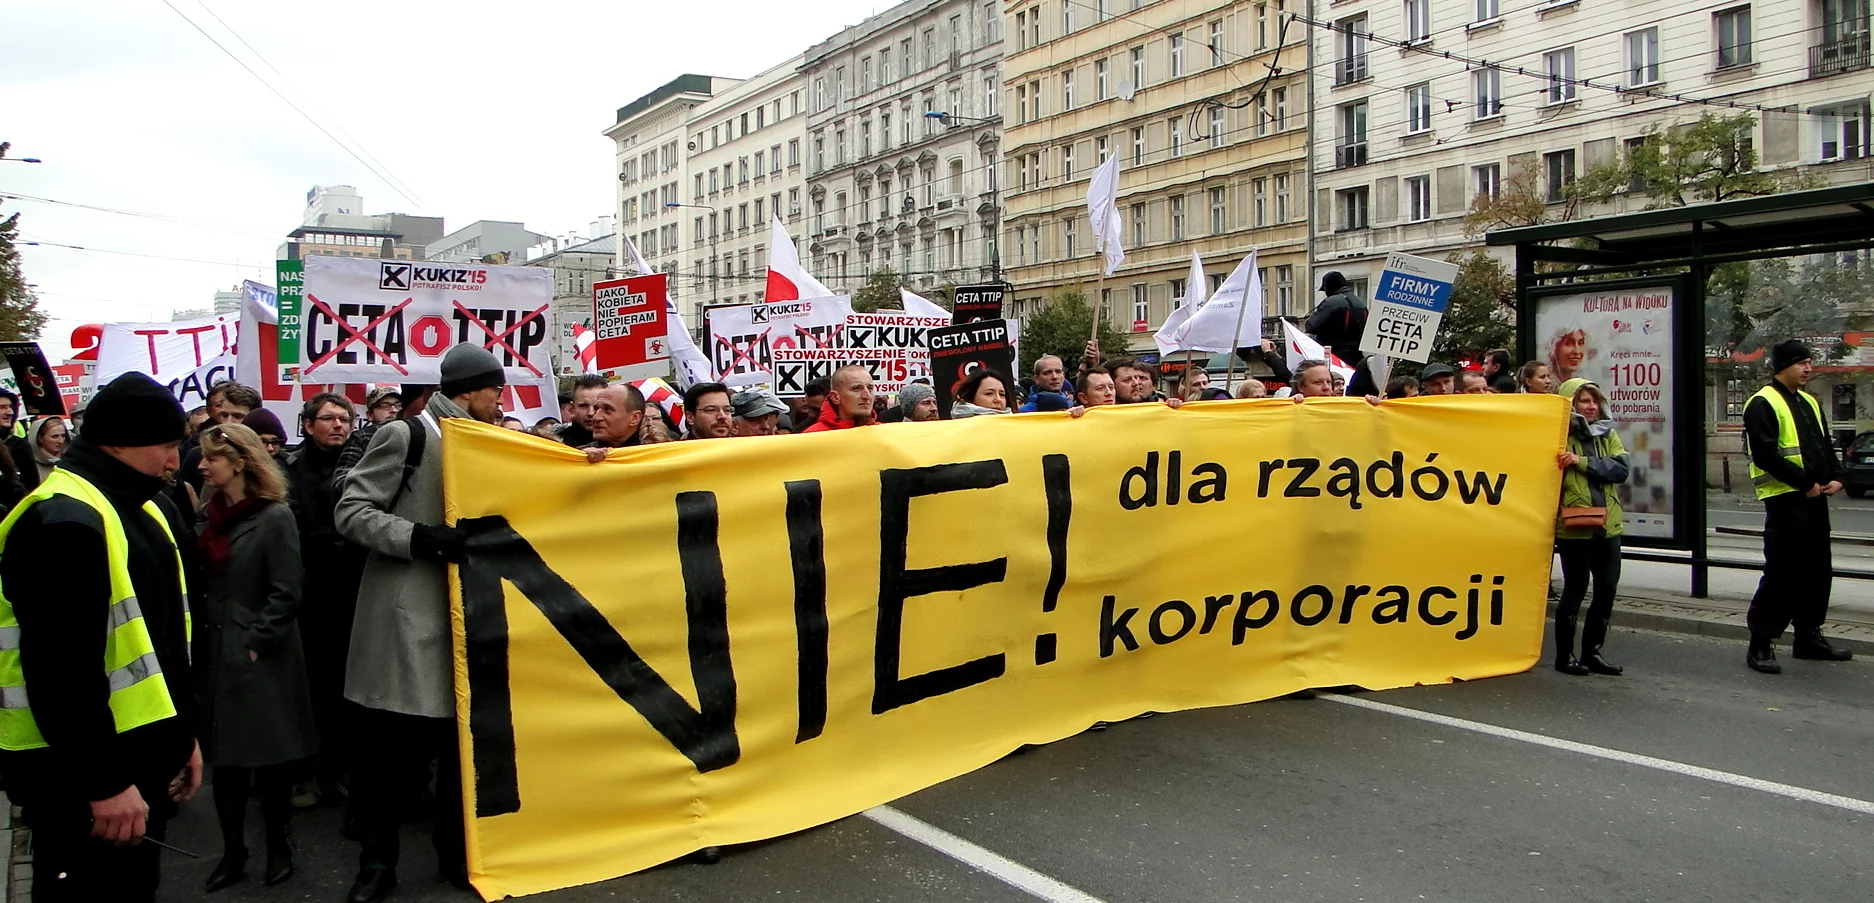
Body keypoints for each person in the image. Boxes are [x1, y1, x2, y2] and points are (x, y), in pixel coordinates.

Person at [0, 372, 203, 902]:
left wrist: (183, 739)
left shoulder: (144, 508)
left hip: (137, 763)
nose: (172, 461)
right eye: (165, 446)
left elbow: (161, 643)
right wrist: (104, 784)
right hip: (85, 783)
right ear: (117, 442)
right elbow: (60, 672)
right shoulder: (65, 520)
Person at [335, 346, 506, 902]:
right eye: (495, 391)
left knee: (461, 761)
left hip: (468, 621)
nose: (501, 401)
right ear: (470, 391)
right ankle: (377, 866)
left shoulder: (485, 438)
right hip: (407, 623)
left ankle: (456, 859)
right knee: (387, 762)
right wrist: (419, 538)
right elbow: (351, 511)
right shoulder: (407, 436)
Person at [193, 423, 316, 891]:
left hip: (261, 656)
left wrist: (257, 640)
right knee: (226, 763)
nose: (202, 465)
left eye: (212, 458)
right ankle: (233, 852)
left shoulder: (273, 517)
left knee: (269, 761)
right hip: (216, 654)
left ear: (239, 462)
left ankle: (278, 845)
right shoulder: (209, 515)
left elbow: (286, 590)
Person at [1743, 339, 1853, 673]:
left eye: (1809, 362)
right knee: (1782, 573)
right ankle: (1761, 642)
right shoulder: (1762, 402)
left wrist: (1837, 475)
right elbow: (1765, 454)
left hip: (1815, 498)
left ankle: (1808, 635)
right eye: (1800, 363)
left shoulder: (1809, 401)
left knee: (1817, 570)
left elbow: (1823, 445)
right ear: (1782, 367)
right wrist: (1804, 483)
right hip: (1785, 499)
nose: (1807, 368)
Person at [282, 392, 357, 808]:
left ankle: (338, 769)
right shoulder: (290, 470)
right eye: (328, 418)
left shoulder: (362, 465)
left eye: (344, 418)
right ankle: (304, 773)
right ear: (308, 426)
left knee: (346, 686)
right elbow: (292, 530)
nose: (338, 425)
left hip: (351, 589)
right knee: (310, 686)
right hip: (309, 592)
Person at [1553, 378, 1629, 678]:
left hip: (1608, 526)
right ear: (1570, 404)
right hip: (1574, 528)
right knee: (1575, 589)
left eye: (1595, 400)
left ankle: (1592, 652)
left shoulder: (1607, 434)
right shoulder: (1557, 436)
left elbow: (1620, 469)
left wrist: (1581, 462)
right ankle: (1565, 655)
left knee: (1606, 590)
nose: (1592, 406)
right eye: (1584, 401)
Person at [330, 386, 434, 499]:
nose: (393, 410)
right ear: (369, 415)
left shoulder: (416, 434)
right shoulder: (362, 437)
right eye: (385, 406)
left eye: (397, 405)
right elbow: (341, 481)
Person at [1306, 271, 1372, 394]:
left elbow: (1311, 325)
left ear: (1328, 287)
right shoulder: (1360, 303)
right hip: (1356, 357)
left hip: (1334, 356)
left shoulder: (1331, 302)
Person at [581, 383, 650, 459]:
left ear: (634, 418)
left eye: (607, 410)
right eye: (596, 409)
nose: (596, 417)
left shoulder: (654, 460)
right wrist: (580, 460)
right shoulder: (578, 456)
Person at [803, 366, 876, 432]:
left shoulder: (884, 433)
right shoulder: (813, 436)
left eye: (870, 388)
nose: (866, 396)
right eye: (856, 389)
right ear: (835, 397)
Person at [556, 374, 608, 447]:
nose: (590, 413)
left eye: (597, 406)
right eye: (583, 406)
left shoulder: (623, 439)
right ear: (572, 408)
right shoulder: (555, 443)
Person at [0, 390, 36, 491]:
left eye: (11, 407)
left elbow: (31, 488)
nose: (10, 412)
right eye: (2, 407)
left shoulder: (20, 446)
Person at [29, 416, 69, 484]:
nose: (61, 441)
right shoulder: (30, 465)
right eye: (55, 436)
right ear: (40, 438)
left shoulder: (70, 460)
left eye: (63, 436)